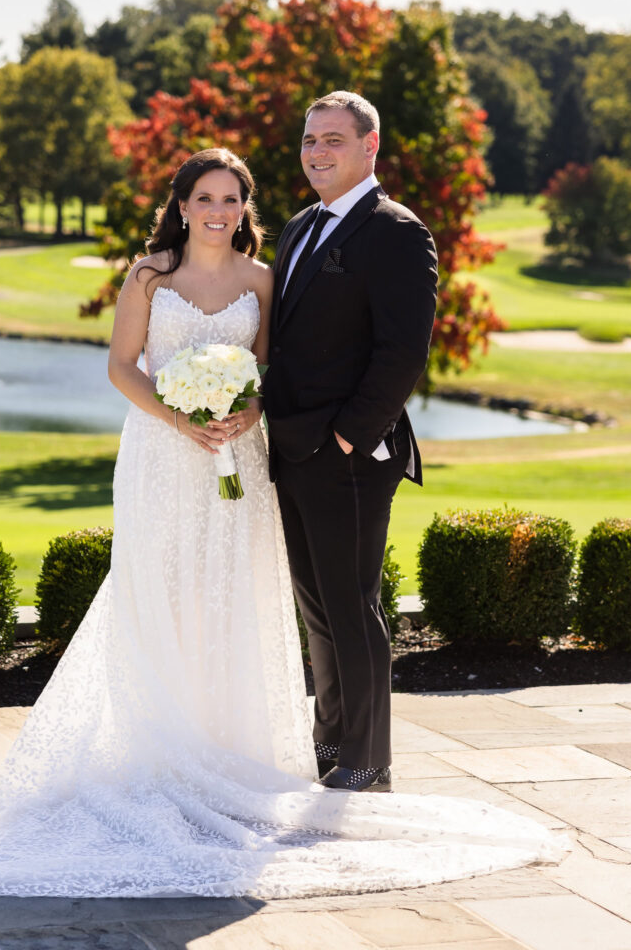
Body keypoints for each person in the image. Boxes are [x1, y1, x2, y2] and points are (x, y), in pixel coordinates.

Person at [0, 148, 562, 900]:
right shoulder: (147, 275)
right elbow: (123, 366)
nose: (218, 210)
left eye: (231, 199)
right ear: (180, 204)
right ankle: (159, 753)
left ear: (243, 210)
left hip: (243, 458)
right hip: (162, 455)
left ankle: (236, 751)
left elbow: (277, 369)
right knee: (163, 592)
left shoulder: (262, 280)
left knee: (238, 597)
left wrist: (244, 410)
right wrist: (179, 417)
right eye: (204, 197)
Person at [263, 91, 438, 793]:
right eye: (309, 140)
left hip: (349, 459)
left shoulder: (396, 231)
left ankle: (368, 762)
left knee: (351, 609)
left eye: (332, 139)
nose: (316, 153)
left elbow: (401, 355)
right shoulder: (299, 225)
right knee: (319, 613)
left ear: (370, 147)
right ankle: (331, 747)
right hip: (291, 449)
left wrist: (344, 439)